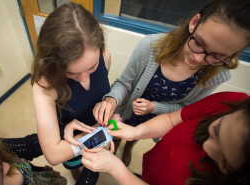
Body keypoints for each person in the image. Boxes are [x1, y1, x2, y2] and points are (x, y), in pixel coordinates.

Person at [93, 0, 250, 166]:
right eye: (198, 43)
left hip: (156, 120)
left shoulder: (217, 75)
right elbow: (125, 84)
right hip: (127, 112)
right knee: (117, 133)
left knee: (135, 136)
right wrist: (111, 100)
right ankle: (118, 144)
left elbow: (187, 109)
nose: (198, 58)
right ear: (194, 23)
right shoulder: (151, 46)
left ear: (230, 56)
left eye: (216, 56)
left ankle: (129, 148)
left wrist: (155, 107)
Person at [80, 91, 250, 185]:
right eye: (217, 128)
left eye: (224, 163)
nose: (207, 146)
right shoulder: (230, 100)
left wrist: (117, 169)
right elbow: (172, 119)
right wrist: (136, 132)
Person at [31, 2, 112, 183]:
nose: (83, 79)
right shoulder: (44, 86)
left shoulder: (105, 56)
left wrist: (109, 106)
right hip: (70, 140)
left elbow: (102, 95)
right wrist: (100, 134)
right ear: (54, 65)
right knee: (76, 166)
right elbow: (53, 154)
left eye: (91, 67)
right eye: (71, 73)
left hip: (95, 131)